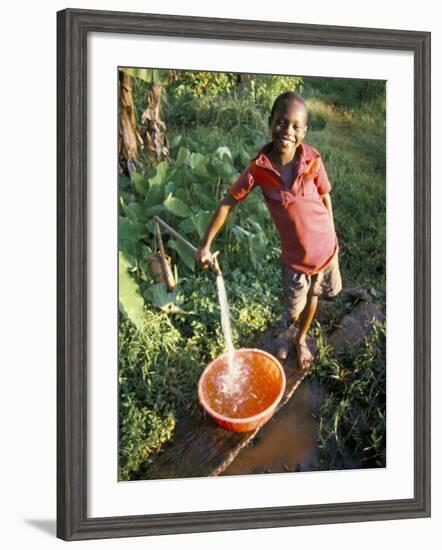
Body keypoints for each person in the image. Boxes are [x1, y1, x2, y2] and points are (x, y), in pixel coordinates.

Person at [196, 91, 342, 369]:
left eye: (296, 126)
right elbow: (228, 203)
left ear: (305, 131)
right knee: (293, 306)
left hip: (325, 250)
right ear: (270, 121)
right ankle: (287, 332)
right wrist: (205, 244)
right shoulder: (258, 170)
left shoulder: (312, 160)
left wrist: (332, 233)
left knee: (314, 297)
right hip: (295, 258)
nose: (288, 131)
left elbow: (325, 196)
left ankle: (299, 340)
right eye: (282, 122)